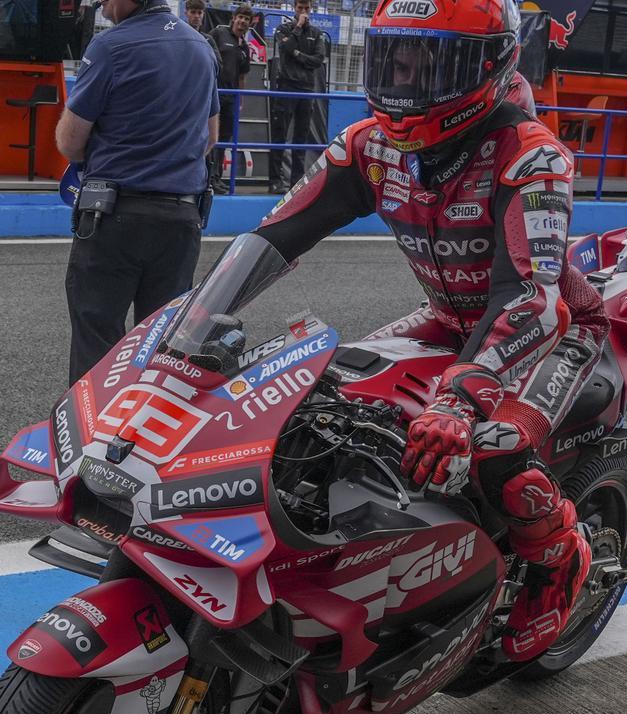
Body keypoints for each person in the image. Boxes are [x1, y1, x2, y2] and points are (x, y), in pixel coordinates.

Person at [249, 0, 604, 664]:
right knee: (332, 393)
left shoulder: (532, 158)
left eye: (431, 62)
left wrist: (457, 400)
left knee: (491, 447)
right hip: (451, 318)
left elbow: (530, 298)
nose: (408, 80)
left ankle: (561, 561)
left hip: (555, 328)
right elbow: (271, 237)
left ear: (490, 66)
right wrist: (193, 326)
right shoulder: (369, 144)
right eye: (397, 58)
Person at [56, 0, 217, 384]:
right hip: (181, 220)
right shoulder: (201, 48)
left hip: (115, 217)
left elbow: (69, 142)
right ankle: (145, 439)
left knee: (98, 340)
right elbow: (209, 138)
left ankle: (92, 438)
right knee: (162, 346)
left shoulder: (111, 46)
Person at [268, 0, 328, 193]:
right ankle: (275, 181)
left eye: (306, 8)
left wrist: (297, 55)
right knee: (279, 136)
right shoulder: (284, 28)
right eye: (300, 8)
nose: (303, 11)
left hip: (307, 90)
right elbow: (285, 49)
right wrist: (298, 28)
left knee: (300, 139)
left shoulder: (317, 33)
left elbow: (318, 60)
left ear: (311, 9)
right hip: (286, 87)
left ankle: (296, 182)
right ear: (294, 9)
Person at [207, 3, 251, 194]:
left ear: (249, 24)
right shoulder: (218, 34)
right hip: (215, 94)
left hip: (232, 98)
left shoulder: (245, 47)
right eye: (240, 17)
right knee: (209, 137)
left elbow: (242, 76)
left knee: (225, 138)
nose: (242, 21)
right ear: (234, 18)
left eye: (246, 19)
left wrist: (241, 99)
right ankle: (207, 177)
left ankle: (217, 177)